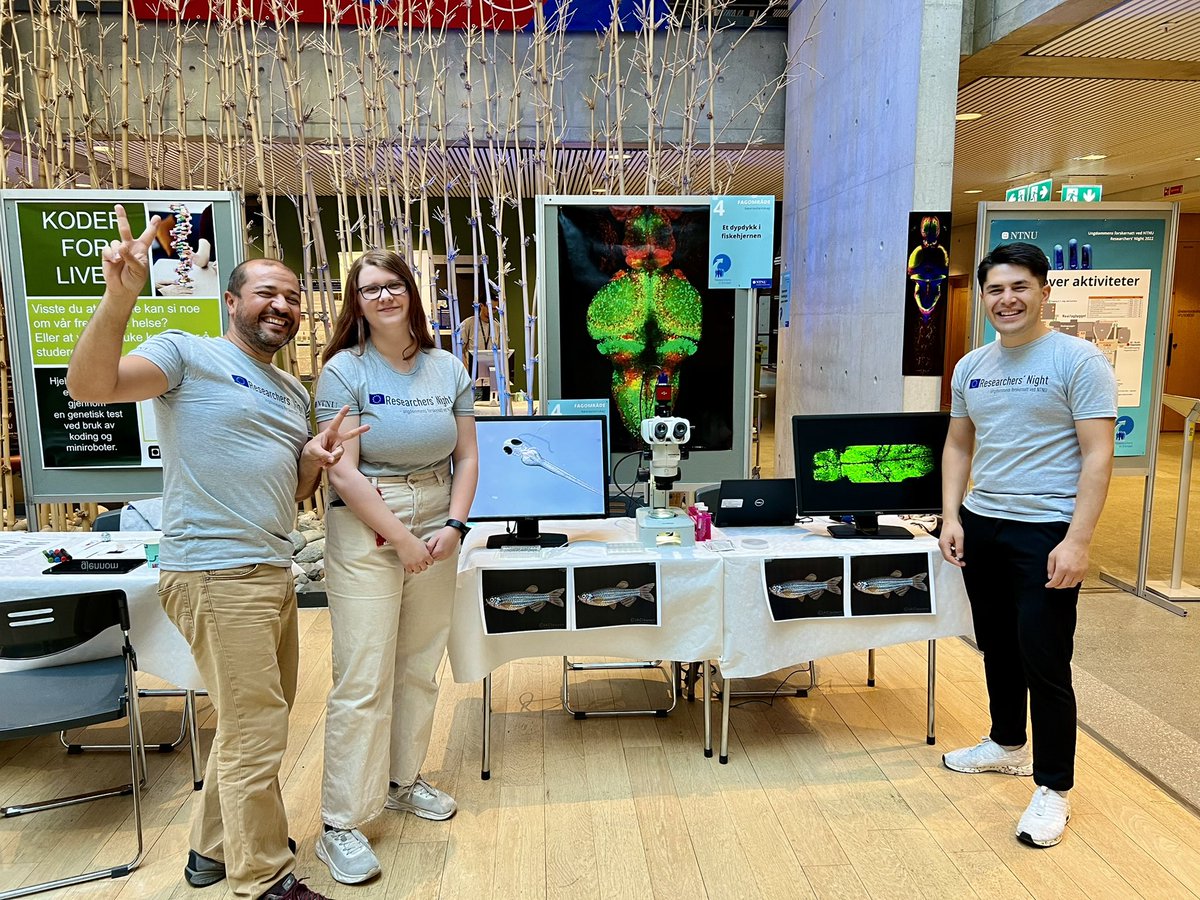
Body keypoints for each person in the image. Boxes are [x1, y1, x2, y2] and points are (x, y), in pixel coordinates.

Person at [67, 205, 362, 900]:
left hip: (269, 567)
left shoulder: (293, 389)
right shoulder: (186, 352)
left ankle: (210, 849)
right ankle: (263, 877)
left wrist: (314, 460)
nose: (282, 305)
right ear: (231, 301)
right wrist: (120, 299)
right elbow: (90, 387)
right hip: (213, 569)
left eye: (292, 295)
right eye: (266, 292)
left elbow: (287, 496)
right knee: (257, 730)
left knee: (253, 721)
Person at [939, 241, 1116, 849]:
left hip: (1045, 532)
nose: (1007, 300)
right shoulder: (972, 366)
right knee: (996, 645)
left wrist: (1078, 541)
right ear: (983, 297)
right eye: (995, 289)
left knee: (1045, 658)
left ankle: (1054, 787)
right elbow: (959, 445)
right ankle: (1006, 743)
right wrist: (951, 516)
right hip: (983, 523)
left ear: (1044, 291)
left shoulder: (1079, 361)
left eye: (1019, 287)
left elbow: (1098, 455)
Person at [314, 249, 478, 885]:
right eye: (369, 290)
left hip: (440, 509)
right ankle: (342, 822)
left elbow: (467, 456)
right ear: (356, 304)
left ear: (412, 292)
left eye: (393, 286)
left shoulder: (447, 368)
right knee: (362, 672)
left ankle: (402, 780)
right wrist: (403, 540)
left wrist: (454, 528)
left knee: (418, 664)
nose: (383, 297)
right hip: (368, 517)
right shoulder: (343, 370)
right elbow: (344, 470)